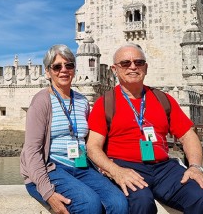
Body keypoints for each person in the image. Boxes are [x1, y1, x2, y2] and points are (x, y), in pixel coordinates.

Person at [86, 43, 203, 214]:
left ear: (146, 67)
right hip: (125, 166)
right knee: (141, 202)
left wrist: (195, 167)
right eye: (126, 63)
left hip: (164, 168)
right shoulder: (105, 103)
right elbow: (93, 147)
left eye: (139, 62)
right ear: (114, 69)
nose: (133, 67)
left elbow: (188, 135)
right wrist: (115, 171)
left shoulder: (163, 99)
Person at [20, 44, 128, 214]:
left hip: (81, 166)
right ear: (48, 72)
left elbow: (87, 140)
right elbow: (32, 151)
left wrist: (103, 165)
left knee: (119, 203)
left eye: (69, 65)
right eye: (57, 66)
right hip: (52, 168)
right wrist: (48, 193)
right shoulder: (42, 101)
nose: (64, 70)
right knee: (89, 204)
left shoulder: (82, 101)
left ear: (74, 69)